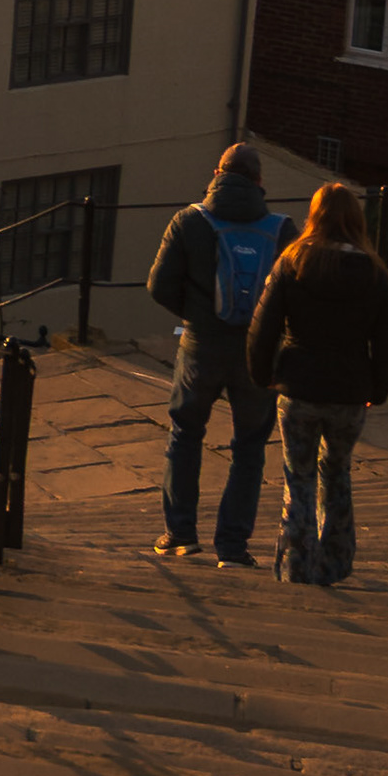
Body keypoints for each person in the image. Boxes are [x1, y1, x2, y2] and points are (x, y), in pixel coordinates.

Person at [248, 181, 388, 589]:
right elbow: (387, 342)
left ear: (314, 217)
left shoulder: (293, 261)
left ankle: (297, 563)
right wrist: (378, 389)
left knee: (297, 476)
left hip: (299, 386)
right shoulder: (373, 273)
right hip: (350, 392)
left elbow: (263, 329)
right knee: (336, 471)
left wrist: (263, 374)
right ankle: (333, 563)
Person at [145, 147, 290, 564]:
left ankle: (181, 533)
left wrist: (196, 316)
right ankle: (232, 545)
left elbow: (158, 285)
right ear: (259, 182)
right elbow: (290, 294)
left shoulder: (189, 221)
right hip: (257, 352)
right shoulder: (281, 229)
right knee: (250, 445)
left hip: (201, 345)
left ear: (217, 174)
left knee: (186, 433)